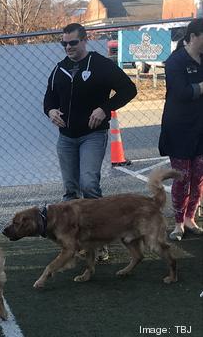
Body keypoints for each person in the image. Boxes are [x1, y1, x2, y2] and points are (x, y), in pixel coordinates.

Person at [43, 23, 137, 261]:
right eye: (64, 43)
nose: (68, 47)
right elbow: (49, 97)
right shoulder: (60, 68)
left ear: (85, 40)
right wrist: (51, 111)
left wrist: (105, 109)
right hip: (66, 138)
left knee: (89, 185)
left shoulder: (100, 65)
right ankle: (71, 242)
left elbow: (129, 89)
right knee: (70, 190)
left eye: (73, 43)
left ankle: (100, 241)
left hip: (92, 135)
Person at [159, 18, 203, 241]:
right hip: (179, 129)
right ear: (194, 36)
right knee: (182, 177)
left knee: (198, 177)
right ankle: (177, 224)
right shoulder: (175, 61)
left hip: (200, 128)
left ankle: (190, 218)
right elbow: (181, 93)